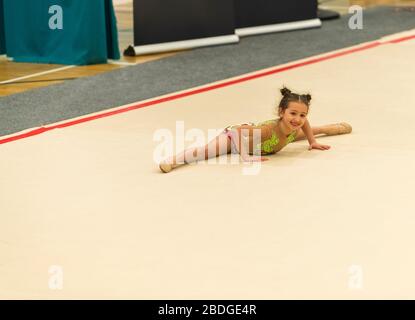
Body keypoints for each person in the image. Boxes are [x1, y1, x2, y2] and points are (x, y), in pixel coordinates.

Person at [159, 87, 352, 173]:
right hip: (233, 139)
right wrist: (246, 156)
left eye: (302, 115)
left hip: (276, 141)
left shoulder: (294, 126)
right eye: (293, 113)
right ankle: (172, 161)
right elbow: (236, 133)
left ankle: (333, 128)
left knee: (309, 132)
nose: (298, 119)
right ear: (281, 112)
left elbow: (307, 124)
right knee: (205, 152)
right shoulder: (268, 130)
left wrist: (313, 142)